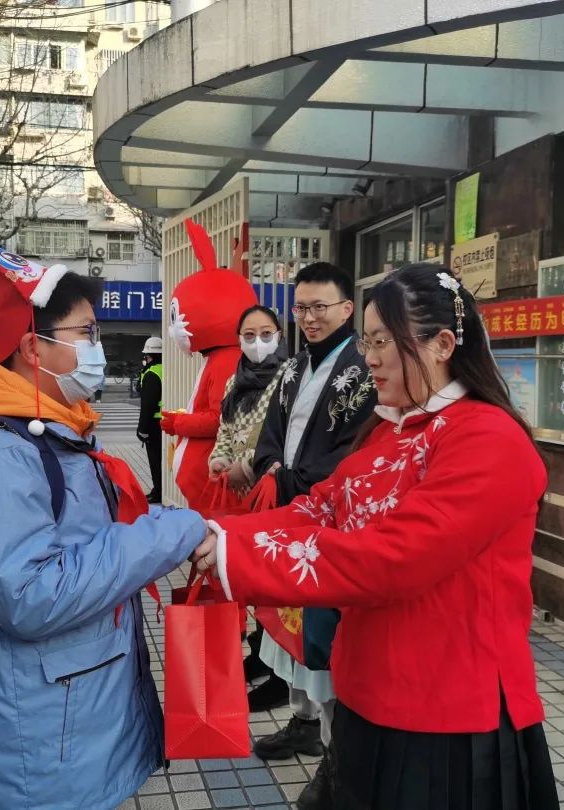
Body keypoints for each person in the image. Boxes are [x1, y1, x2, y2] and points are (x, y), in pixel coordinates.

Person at [193, 264, 560, 810]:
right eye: (366, 340)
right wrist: (211, 531)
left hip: (447, 716)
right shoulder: (392, 431)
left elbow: (396, 558)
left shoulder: (488, 440)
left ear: (442, 344)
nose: (369, 356)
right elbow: (320, 509)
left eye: (383, 340)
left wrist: (233, 556)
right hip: (367, 693)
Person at [0, 227, 207, 808]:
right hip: (35, 737)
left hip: (64, 716)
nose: (97, 346)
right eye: (86, 333)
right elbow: (30, 595)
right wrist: (168, 533)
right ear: (33, 348)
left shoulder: (52, 429)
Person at [245, 262, 376, 810]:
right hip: (289, 508)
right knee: (286, 626)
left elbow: (354, 449)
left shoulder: (362, 370)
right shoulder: (295, 367)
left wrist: (296, 482)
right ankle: (302, 720)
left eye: (320, 307)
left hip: (327, 516)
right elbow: (269, 432)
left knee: (320, 633)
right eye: (301, 308)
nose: (310, 318)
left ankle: (332, 749)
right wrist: (271, 468)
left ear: (348, 309)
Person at [160, 219, 258, 511]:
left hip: (217, 486)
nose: (173, 329)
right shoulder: (221, 357)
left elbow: (219, 418)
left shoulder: (227, 360)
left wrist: (177, 423)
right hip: (212, 484)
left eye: (177, 316)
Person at [208, 305, 289, 495]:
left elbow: (289, 437)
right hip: (239, 492)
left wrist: (247, 467)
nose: (258, 341)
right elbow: (226, 431)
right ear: (240, 339)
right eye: (250, 335)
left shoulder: (290, 376)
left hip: (274, 488)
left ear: (279, 334)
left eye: (266, 333)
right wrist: (220, 460)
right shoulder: (234, 382)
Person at [136, 336, 164, 504]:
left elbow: (148, 404)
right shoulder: (167, 368)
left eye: (145, 356)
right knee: (162, 460)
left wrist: (142, 429)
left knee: (155, 461)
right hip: (166, 421)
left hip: (154, 424)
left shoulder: (152, 373)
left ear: (150, 356)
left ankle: (159, 492)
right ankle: (160, 490)